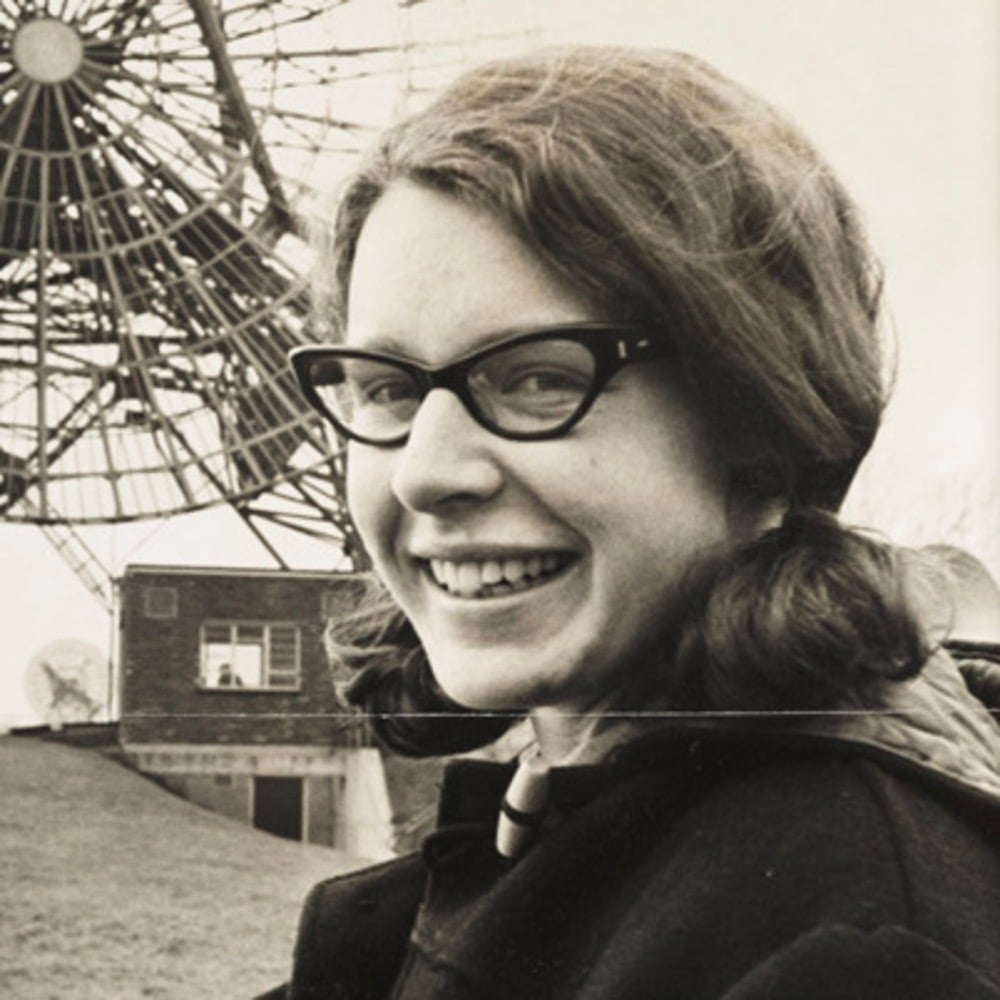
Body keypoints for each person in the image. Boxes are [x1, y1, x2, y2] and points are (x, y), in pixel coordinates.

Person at [267, 46, 1000, 999]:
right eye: (387, 388)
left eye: (538, 379)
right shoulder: (573, 818)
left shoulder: (861, 945)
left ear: (765, 427)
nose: (425, 474)